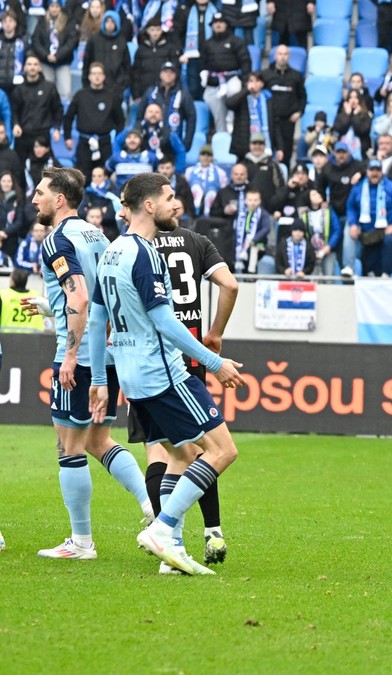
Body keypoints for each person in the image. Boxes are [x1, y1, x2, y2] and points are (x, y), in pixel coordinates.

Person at [87, 171, 245, 575]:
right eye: (170, 196)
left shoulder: (112, 252)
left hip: (134, 376)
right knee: (222, 450)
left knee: (178, 455)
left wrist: (103, 381)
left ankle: (170, 550)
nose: (176, 203)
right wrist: (215, 362)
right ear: (150, 205)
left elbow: (96, 319)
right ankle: (164, 528)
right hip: (165, 373)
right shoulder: (144, 253)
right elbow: (166, 324)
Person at [27, 167, 154, 560]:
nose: (34, 199)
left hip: (80, 356)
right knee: (99, 440)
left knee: (69, 447)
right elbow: (94, 297)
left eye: (40, 192)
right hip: (108, 352)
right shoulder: (96, 234)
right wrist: (51, 306)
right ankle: (152, 508)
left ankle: (81, 543)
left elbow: (79, 299)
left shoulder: (57, 240)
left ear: (59, 199)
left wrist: (67, 354)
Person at [138, 194, 239, 569]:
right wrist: (214, 335)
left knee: (162, 452)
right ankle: (208, 530)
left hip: (149, 359)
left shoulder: (136, 247)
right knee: (202, 450)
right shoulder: (197, 241)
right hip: (191, 356)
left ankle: (165, 537)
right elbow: (229, 286)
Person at [346, 159, 392, 277]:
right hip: (367, 231)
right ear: (367, 171)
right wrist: (353, 223)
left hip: (386, 230)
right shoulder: (358, 188)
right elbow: (351, 207)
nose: (375, 173)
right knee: (369, 264)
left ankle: (387, 274)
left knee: (389, 241)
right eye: (372, 170)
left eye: (378, 170)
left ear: (382, 172)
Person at [62, 62, 124, 176]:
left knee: (105, 176)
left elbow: (120, 121)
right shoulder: (80, 95)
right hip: (84, 144)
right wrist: (67, 137)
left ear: (104, 77)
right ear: (89, 76)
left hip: (104, 143)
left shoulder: (112, 96)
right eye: (94, 73)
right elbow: (68, 117)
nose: (97, 76)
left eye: (100, 74)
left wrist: (117, 141)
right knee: (81, 177)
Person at [199, 12, 250, 135]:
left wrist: (245, 81)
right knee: (210, 98)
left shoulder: (236, 41)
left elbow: (245, 61)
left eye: (221, 22)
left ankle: (231, 122)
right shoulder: (207, 44)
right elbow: (202, 64)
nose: (218, 25)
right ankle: (221, 133)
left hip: (231, 78)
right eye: (215, 23)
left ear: (226, 25)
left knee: (235, 90)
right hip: (214, 81)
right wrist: (204, 75)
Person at [262, 44, 306, 166]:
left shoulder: (296, 76)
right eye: (280, 54)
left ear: (289, 56)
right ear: (275, 56)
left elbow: (302, 96)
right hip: (270, 120)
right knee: (268, 150)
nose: (282, 57)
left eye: (285, 54)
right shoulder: (265, 75)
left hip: (288, 120)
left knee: (286, 152)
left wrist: (299, 112)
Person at [11, 55, 61, 163]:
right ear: (24, 67)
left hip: (42, 134)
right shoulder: (18, 89)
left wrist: (57, 128)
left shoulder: (49, 87)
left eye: (35, 64)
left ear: (40, 68)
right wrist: (15, 124)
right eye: (29, 64)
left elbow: (57, 109)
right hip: (23, 135)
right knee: (19, 166)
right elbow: (14, 110)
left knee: (48, 169)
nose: (32, 67)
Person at [143, 61, 197, 153]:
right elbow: (139, 116)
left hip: (173, 145)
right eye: (165, 72)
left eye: (171, 72)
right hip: (151, 143)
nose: (168, 75)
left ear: (176, 75)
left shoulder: (183, 94)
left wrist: (186, 144)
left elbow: (191, 119)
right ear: (160, 74)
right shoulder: (151, 93)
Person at [30, 0, 77, 103]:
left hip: (63, 62)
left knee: (65, 92)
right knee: (45, 94)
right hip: (45, 62)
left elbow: (72, 41)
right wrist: (46, 55)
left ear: (60, 7)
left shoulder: (68, 21)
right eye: (52, 6)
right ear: (49, 7)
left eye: (57, 6)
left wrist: (58, 55)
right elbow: (36, 40)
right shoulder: (42, 21)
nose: (54, 9)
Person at [130, 16, 179, 105]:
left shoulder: (170, 48)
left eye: (158, 30)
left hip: (165, 92)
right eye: (152, 30)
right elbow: (135, 73)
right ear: (147, 31)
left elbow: (175, 70)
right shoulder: (141, 49)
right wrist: (136, 94)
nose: (155, 33)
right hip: (144, 91)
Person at [82, 10, 129, 96]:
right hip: (95, 85)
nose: (109, 24)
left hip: (116, 87)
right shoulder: (94, 39)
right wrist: (86, 84)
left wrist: (122, 84)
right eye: (107, 21)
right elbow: (86, 64)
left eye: (112, 21)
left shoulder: (122, 41)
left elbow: (126, 66)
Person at [299, 188, 341, 276]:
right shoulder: (304, 216)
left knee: (329, 277)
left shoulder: (328, 211)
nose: (318, 195)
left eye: (317, 193)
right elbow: (302, 234)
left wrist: (329, 246)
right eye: (314, 195)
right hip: (311, 253)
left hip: (328, 250)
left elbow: (337, 230)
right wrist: (310, 250)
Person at [184, 145, 227, 218]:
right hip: (192, 209)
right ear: (199, 156)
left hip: (212, 210)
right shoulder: (189, 171)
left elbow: (223, 192)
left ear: (212, 157)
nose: (206, 157)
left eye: (209, 155)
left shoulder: (220, 173)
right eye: (203, 154)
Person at [0, 267, 40, 332]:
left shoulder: (3, 295)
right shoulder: (36, 295)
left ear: (12, 280)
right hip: (34, 339)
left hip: (7, 338)